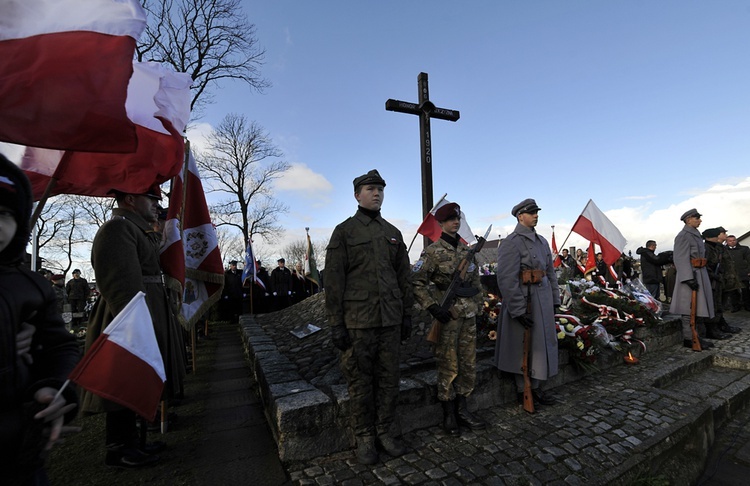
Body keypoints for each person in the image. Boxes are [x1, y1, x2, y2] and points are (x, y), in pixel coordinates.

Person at [81, 184, 187, 468]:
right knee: (124, 379)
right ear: (130, 199)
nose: (156, 204)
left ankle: (135, 441)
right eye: (150, 198)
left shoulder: (140, 229)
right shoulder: (118, 229)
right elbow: (120, 283)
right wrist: (135, 320)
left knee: (140, 376)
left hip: (146, 308)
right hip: (128, 315)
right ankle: (119, 448)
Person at [1, 153, 80, 484]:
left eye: (4, 214)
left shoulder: (29, 287)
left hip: (19, 449)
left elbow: (59, 348)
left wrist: (53, 387)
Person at [324, 169, 413, 465]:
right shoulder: (345, 232)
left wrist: (406, 316)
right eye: (371, 189)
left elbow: (404, 279)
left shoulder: (393, 233)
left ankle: (385, 431)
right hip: (358, 323)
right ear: (357, 195)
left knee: (389, 380)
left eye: (381, 190)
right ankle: (364, 436)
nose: (377, 194)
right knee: (360, 383)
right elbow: (334, 283)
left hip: (389, 320)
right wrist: (336, 324)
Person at [411, 201, 486, 436]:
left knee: (468, 363)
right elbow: (417, 283)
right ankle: (448, 413)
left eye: (457, 219)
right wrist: (433, 307)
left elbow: (475, 284)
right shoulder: (432, 252)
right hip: (448, 317)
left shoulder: (467, 252)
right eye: (451, 220)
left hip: (468, 316)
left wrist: (480, 308)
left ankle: (463, 409)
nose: (455, 222)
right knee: (448, 364)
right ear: (441, 223)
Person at [494, 198, 560, 410]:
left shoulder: (541, 241)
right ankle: (524, 389)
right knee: (523, 348)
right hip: (524, 302)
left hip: (542, 299)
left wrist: (555, 299)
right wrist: (518, 309)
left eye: (536, 212)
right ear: (520, 216)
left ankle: (538, 387)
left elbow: (550, 273)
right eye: (531, 212)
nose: (535, 215)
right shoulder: (511, 243)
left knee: (541, 346)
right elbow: (506, 279)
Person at [670, 209, 715, 349]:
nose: (699, 220)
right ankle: (689, 338)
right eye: (697, 218)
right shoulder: (683, 236)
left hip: (700, 273)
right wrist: (688, 278)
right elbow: (680, 258)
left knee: (698, 308)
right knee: (688, 309)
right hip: (690, 275)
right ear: (688, 219)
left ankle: (697, 336)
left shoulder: (695, 235)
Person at [726, 235, 750, 311]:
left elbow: (749, 260)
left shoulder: (744, 249)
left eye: (733, 240)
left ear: (736, 240)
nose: (732, 242)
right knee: (733, 291)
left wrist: (749, 270)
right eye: (730, 241)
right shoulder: (724, 250)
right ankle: (735, 306)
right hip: (730, 274)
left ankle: (747, 305)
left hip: (743, 272)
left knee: (745, 290)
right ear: (727, 242)